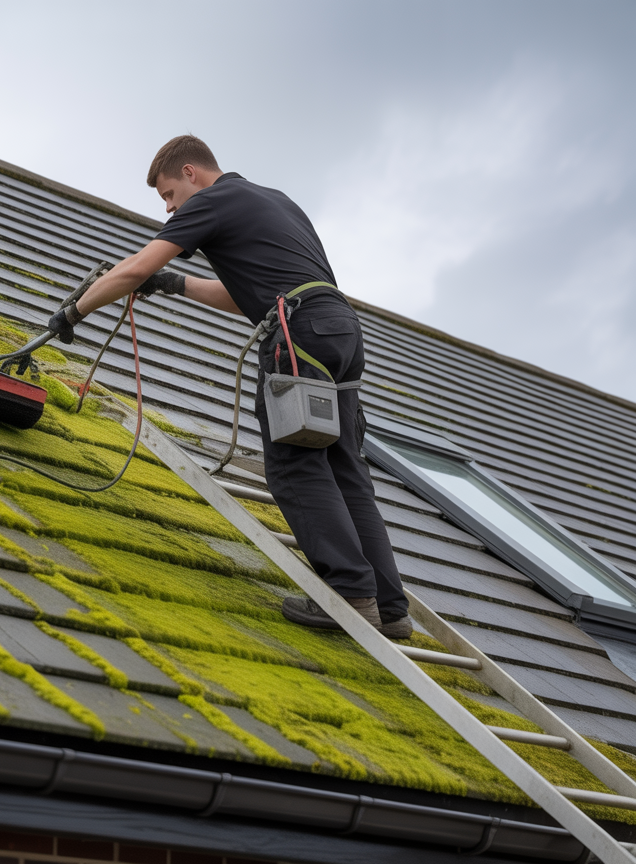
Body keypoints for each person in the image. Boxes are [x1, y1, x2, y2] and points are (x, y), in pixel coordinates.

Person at [46, 134, 411, 640]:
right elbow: (251, 295)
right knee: (345, 466)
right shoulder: (275, 201)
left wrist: (73, 311)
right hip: (339, 331)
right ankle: (390, 608)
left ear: (191, 173)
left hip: (298, 334)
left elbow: (134, 267)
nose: (170, 211)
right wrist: (176, 285)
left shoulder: (214, 200)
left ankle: (349, 592)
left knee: (294, 464)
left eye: (169, 196)